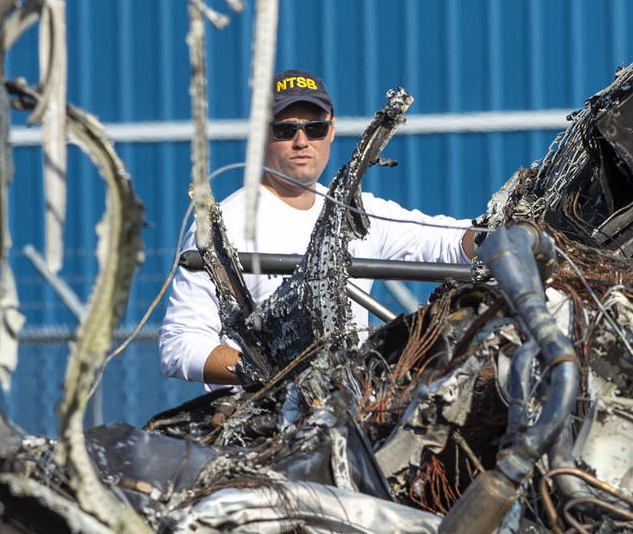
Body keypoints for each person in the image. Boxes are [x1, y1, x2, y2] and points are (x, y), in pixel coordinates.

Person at [159, 69, 476, 388]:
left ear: (332, 130)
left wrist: (514, 229)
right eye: (285, 130)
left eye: (315, 129)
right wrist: (271, 375)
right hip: (263, 424)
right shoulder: (225, 226)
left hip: (351, 417)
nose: (301, 142)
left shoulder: (357, 214)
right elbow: (180, 344)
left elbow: (452, 245)